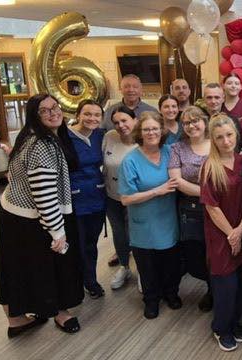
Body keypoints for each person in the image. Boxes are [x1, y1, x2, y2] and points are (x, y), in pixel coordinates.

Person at [0, 94, 83, 337]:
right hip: (31, 218)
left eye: (55, 107)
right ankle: (59, 312)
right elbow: (44, 195)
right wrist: (57, 231)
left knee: (16, 268)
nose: (53, 113)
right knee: (52, 265)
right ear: (35, 116)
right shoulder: (42, 145)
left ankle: (16, 319)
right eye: (44, 111)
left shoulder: (28, 137)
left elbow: (12, 176)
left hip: (14, 213)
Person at [119, 111, 181, 319]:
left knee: (170, 263)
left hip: (168, 219)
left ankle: (171, 293)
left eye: (155, 128)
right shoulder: (130, 161)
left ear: (162, 130)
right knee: (147, 267)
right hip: (143, 223)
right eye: (146, 129)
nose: (151, 132)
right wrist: (157, 191)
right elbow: (125, 199)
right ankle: (151, 300)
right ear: (140, 132)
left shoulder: (171, 151)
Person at [200, 114, 242, 352]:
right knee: (225, 285)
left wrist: (240, 230)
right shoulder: (209, 166)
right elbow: (212, 206)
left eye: (229, 135)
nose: (226, 140)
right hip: (221, 235)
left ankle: (235, 321)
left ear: (236, 134)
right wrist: (231, 233)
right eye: (220, 137)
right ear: (213, 139)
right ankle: (221, 327)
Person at [168, 106, 213, 312]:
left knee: (215, 253)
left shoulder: (218, 144)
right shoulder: (177, 148)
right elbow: (176, 180)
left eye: (195, 120)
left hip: (218, 209)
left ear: (205, 122)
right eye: (186, 122)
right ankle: (207, 281)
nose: (191, 125)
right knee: (195, 253)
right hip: (190, 210)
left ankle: (214, 291)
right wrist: (207, 194)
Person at [67, 99, 107, 299]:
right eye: (87, 114)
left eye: (97, 115)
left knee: (91, 242)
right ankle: (77, 283)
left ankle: (90, 279)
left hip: (97, 196)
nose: (92, 118)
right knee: (78, 243)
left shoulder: (101, 136)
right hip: (74, 199)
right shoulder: (64, 136)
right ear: (78, 114)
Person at [103, 106, 139, 290]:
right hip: (112, 195)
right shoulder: (109, 137)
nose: (121, 125)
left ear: (134, 120)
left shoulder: (143, 140)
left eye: (124, 120)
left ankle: (142, 271)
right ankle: (124, 266)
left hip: (136, 198)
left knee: (135, 234)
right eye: (116, 122)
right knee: (119, 233)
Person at [204, 82, 242, 149]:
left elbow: (239, 145)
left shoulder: (233, 121)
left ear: (223, 98)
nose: (213, 101)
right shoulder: (200, 121)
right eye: (209, 97)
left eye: (217, 97)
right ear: (204, 99)